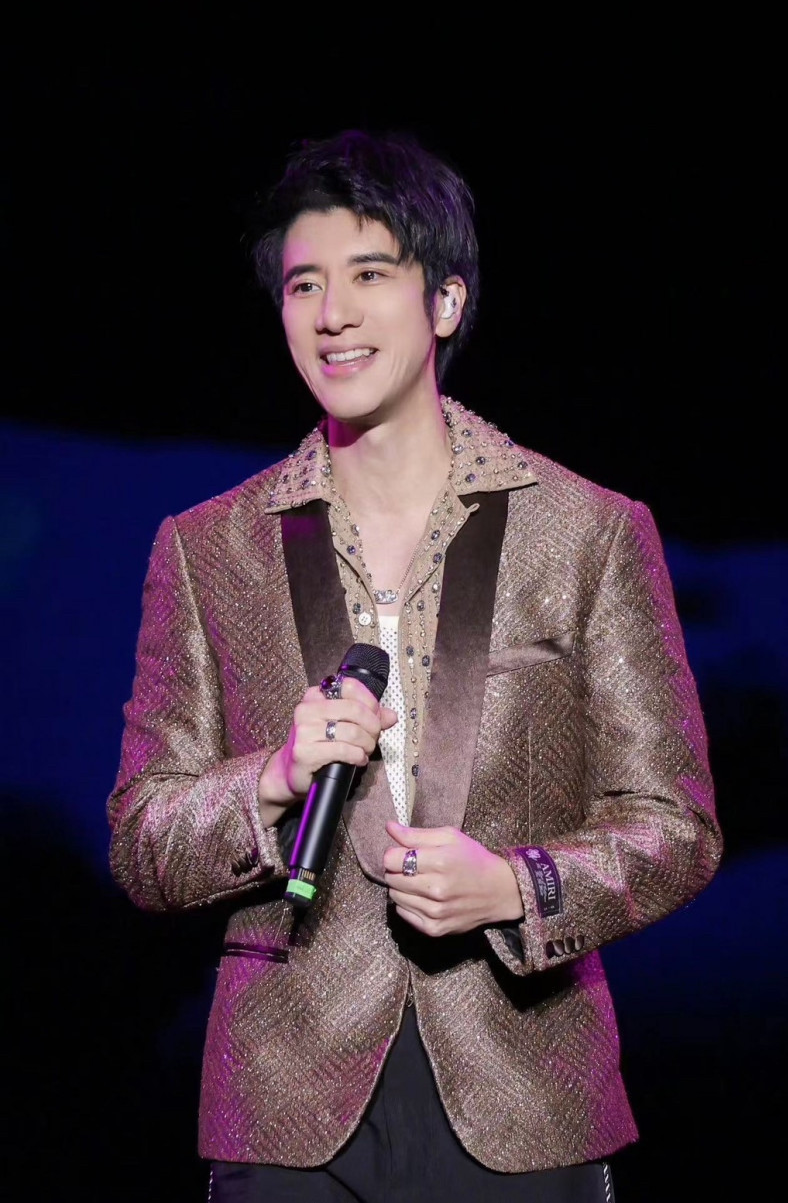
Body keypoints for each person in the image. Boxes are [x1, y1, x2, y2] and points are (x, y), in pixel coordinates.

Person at [107, 128, 723, 1202]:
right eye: (304, 284)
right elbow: (142, 840)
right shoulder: (210, 548)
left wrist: (516, 885)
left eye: (368, 275)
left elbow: (674, 824)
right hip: (285, 1102)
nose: (331, 313)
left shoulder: (585, 532)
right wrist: (271, 778)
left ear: (443, 301)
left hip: (524, 1091)